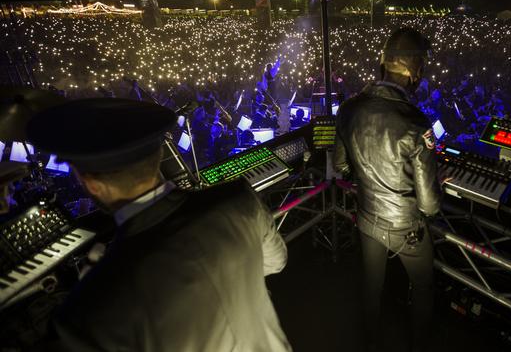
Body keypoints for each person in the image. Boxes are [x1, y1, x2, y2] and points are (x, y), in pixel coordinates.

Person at [26, 98, 291, 352]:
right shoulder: (238, 198)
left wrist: (97, 282)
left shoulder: (89, 305)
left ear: (90, 184)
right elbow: (276, 262)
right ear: (161, 152)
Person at [335, 28, 444, 352]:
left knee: (371, 287)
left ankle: (368, 342)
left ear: (383, 63)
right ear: (415, 71)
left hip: (368, 219)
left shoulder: (349, 108)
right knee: (423, 288)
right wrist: (437, 181)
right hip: (407, 228)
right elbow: (428, 206)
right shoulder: (416, 122)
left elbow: (341, 167)